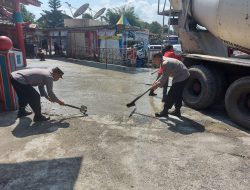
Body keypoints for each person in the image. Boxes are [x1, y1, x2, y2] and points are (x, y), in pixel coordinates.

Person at [151, 52, 190, 118]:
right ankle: (177, 111)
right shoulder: (163, 60)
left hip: (182, 77)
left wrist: (156, 85)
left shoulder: (165, 63)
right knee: (178, 94)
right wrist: (156, 82)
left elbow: (165, 77)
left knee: (171, 94)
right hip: (184, 75)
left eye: (154, 60)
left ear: (158, 58)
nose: (154, 62)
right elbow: (164, 74)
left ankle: (164, 112)